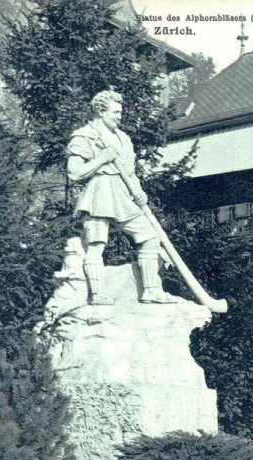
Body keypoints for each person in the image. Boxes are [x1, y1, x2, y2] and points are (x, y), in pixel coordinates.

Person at [66, 89, 175, 306]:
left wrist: (139, 192)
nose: (119, 116)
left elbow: (130, 172)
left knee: (150, 237)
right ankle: (96, 295)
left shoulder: (124, 138)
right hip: (100, 192)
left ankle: (151, 291)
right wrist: (102, 159)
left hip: (124, 193)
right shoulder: (85, 135)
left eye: (120, 112)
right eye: (115, 112)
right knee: (96, 244)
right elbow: (74, 172)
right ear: (100, 111)